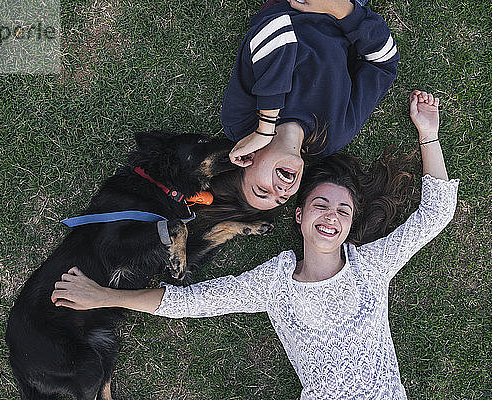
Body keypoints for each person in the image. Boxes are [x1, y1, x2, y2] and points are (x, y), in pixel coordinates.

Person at [51, 90, 456, 399]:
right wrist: (103, 296)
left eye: (343, 212)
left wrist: (428, 134)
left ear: (350, 227)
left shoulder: (371, 265)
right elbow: (194, 302)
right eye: (321, 205)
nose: (331, 216)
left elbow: (434, 216)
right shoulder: (276, 283)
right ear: (299, 216)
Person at [222, 0, 399, 209]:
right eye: (283, 199)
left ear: (245, 158)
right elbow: (384, 64)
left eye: (262, 190)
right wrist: (343, 10)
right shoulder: (331, 137)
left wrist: (265, 128)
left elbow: (274, 32)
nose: (281, 191)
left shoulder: (241, 123)